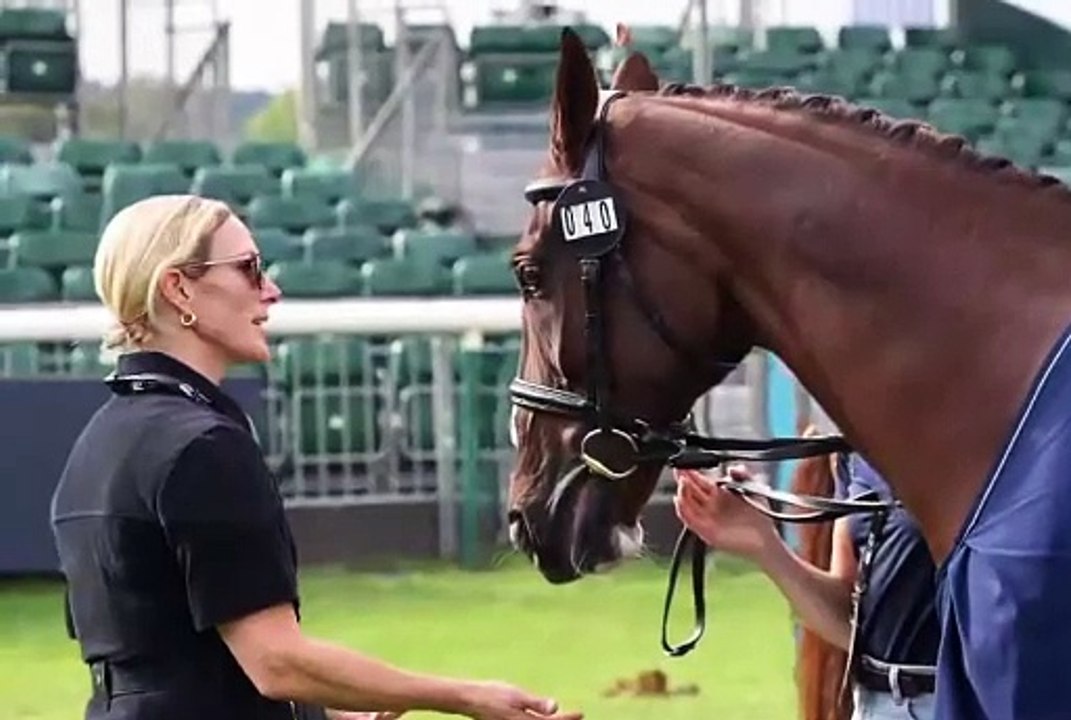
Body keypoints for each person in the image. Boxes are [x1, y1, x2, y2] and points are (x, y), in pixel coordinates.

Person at [50, 194, 584, 720]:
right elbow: (274, 662)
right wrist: (464, 697)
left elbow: (169, 659)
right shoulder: (202, 446)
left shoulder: (97, 441)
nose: (272, 291)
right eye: (249, 269)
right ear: (178, 287)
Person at [672, 445, 939, 720]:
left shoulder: (975, 435)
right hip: (875, 706)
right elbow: (850, 619)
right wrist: (765, 546)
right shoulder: (856, 455)